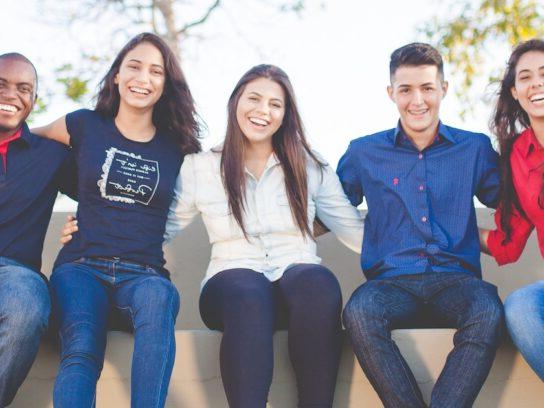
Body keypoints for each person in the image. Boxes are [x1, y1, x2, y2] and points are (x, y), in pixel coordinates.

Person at [165, 64, 364, 408]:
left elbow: (355, 230)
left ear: (285, 115)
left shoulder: (310, 166)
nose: (263, 111)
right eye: (254, 98)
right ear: (235, 102)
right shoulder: (200, 167)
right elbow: (158, 228)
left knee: (318, 282)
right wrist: (97, 232)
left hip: (296, 286)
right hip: (231, 288)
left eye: (275, 104)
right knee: (248, 290)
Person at [32, 33, 201, 407]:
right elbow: (24, 142)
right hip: (80, 267)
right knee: (81, 347)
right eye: (134, 66)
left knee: (160, 297)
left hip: (143, 274)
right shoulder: (84, 124)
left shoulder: (179, 146)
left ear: (165, 85)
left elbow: (216, 190)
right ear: (116, 76)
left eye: (156, 71)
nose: (144, 77)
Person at [337, 43, 504, 408]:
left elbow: (512, 200)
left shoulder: (473, 148)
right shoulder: (363, 152)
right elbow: (328, 208)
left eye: (428, 87)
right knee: (360, 313)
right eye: (406, 89)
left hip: (456, 280)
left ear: (444, 88)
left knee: (488, 309)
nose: (418, 100)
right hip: (390, 283)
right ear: (390, 93)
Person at [0, 52, 75, 407]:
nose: (12, 94)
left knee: (27, 304)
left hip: (15, 273)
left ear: (33, 98)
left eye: (23, 88)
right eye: (1, 85)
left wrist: (86, 227)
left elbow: (104, 188)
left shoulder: (51, 155)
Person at [480, 38, 544, 380]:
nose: (536, 83)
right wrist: (448, 222)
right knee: (520, 307)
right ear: (516, 92)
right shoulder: (518, 155)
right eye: (526, 77)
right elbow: (509, 241)